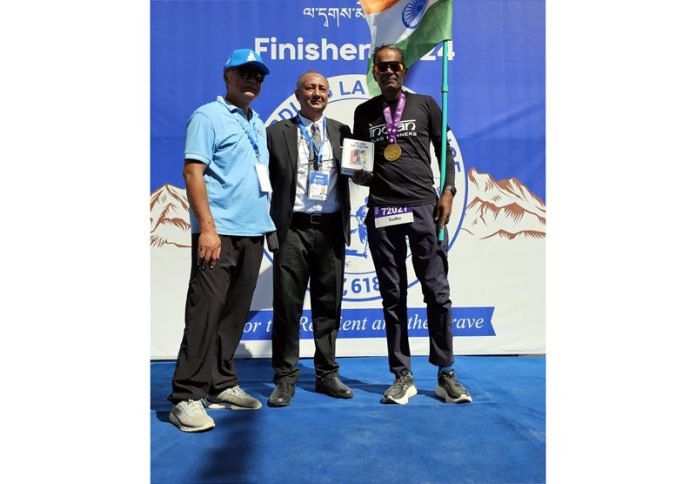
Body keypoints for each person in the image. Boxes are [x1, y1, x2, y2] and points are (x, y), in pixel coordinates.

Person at [351, 44, 472, 405]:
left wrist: (448, 191)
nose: (389, 72)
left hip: (423, 210)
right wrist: (359, 172)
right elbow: (360, 164)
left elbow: (445, 153)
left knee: (437, 293)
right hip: (382, 212)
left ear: (404, 71)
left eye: (396, 66)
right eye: (382, 67)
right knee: (392, 296)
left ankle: (445, 373)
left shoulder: (426, 105)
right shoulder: (364, 112)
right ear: (375, 72)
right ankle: (402, 374)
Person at [167, 49, 275, 432]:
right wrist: (207, 228)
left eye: (258, 76)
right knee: (204, 314)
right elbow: (193, 173)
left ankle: (220, 383)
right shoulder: (207, 116)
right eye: (244, 74)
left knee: (232, 316)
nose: (251, 81)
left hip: (252, 233)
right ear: (227, 76)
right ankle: (186, 396)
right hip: (220, 233)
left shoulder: (256, 123)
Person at [266, 71, 353, 407]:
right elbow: (263, 181)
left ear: (328, 95)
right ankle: (285, 378)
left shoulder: (342, 133)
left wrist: (364, 172)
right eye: (309, 87)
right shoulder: (276, 133)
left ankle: (327, 373)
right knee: (287, 307)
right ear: (297, 93)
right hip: (292, 230)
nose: (316, 93)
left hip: (331, 228)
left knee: (328, 306)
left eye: (322, 89)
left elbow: (358, 172)